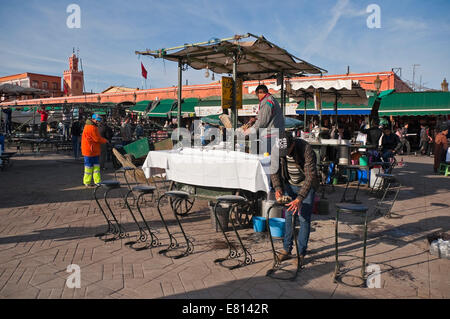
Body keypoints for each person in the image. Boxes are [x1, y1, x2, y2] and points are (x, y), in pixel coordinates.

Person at [270, 134, 319, 266]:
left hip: (306, 186)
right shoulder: (276, 149)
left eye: (287, 151)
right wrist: (277, 188)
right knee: (289, 217)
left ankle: (301, 253)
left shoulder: (305, 149)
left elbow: (310, 176)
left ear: (292, 144)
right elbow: (274, 170)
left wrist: (300, 198)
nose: (285, 155)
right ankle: (287, 249)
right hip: (289, 184)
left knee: (303, 218)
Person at [244, 84, 285, 154]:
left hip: (271, 135)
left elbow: (262, 122)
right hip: (279, 133)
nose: (258, 98)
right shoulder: (272, 99)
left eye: (257, 95)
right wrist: (256, 119)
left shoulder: (267, 101)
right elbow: (268, 116)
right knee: (278, 158)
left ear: (260, 92)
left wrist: (250, 130)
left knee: (269, 159)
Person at [81, 114, 108, 187]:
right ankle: (90, 182)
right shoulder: (91, 128)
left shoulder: (91, 126)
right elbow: (97, 139)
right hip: (90, 151)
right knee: (90, 167)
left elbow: (97, 138)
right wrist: (105, 140)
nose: (98, 122)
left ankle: (94, 181)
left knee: (93, 167)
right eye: (98, 120)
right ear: (93, 119)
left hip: (92, 150)